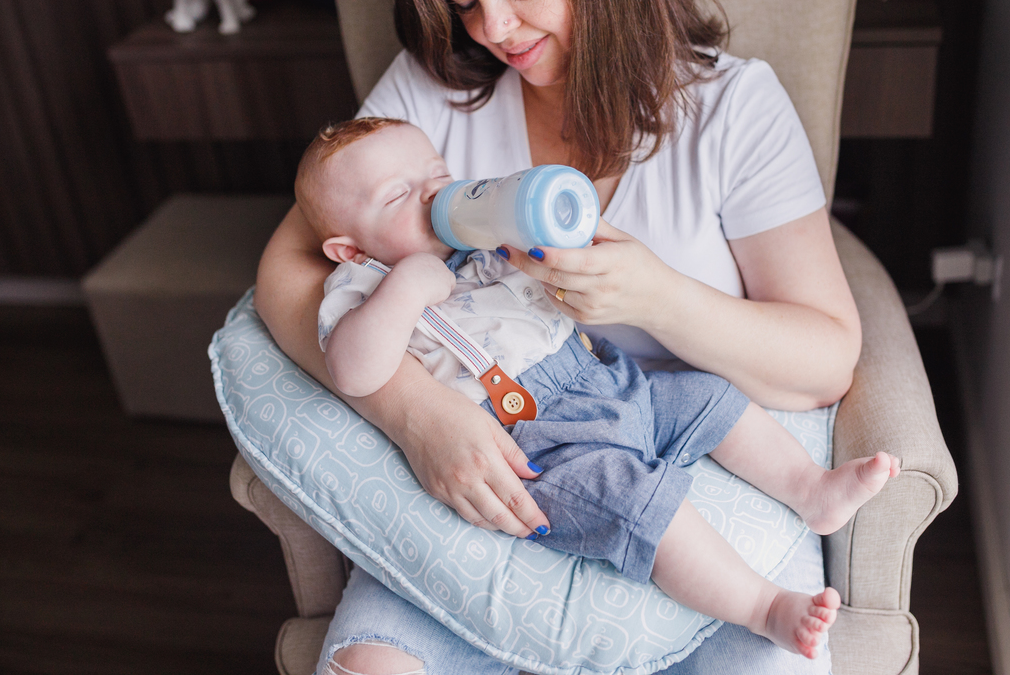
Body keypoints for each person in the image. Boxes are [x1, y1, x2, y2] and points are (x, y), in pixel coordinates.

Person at [254, 0, 865, 672]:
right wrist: (417, 416)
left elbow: (826, 358)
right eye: (463, 1)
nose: (494, 29)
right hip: (499, 458)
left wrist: (660, 298)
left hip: (660, 443)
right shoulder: (428, 100)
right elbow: (288, 271)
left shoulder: (732, 110)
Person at [292, 116, 898, 659]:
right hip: (540, 438)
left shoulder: (481, 244)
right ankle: (764, 607)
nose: (431, 194)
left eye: (438, 174)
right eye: (399, 194)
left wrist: (538, 236)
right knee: (637, 504)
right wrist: (404, 288)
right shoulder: (361, 287)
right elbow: (353, 368)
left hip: (605, 376)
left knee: (710, 396)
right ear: (348, 247)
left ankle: (811, 489)